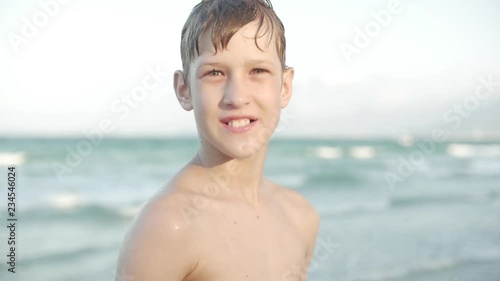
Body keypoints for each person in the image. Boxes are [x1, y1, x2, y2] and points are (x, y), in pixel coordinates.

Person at [115, 0, 320, 280]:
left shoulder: (301, 218)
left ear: (284, 87)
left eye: (258, 71)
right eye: (214, 73)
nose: (236, 96)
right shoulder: (168, 226)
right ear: (185, 90)